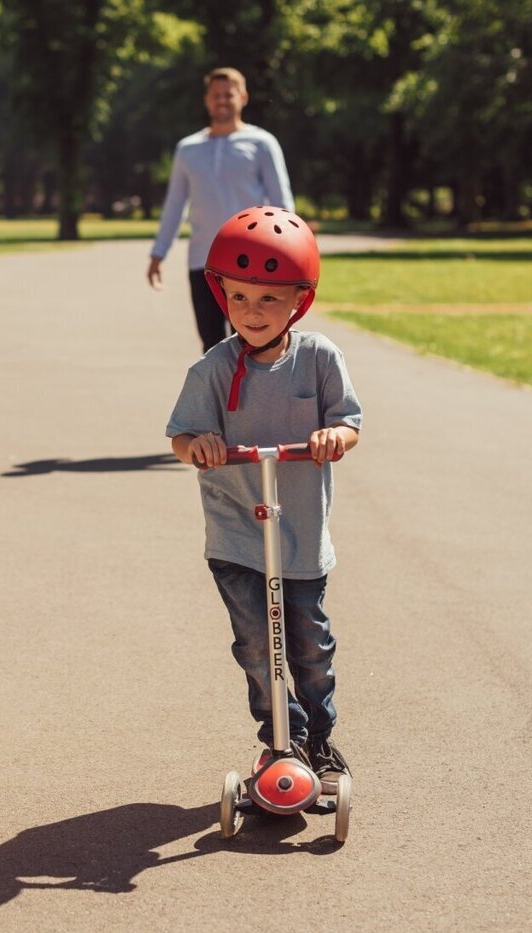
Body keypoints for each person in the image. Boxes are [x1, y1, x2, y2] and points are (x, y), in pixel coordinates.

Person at [166, 207, 361, 779]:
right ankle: (282, 741)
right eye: (240, 298)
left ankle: (319, 738)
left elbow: (350, 424)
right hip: (236, 537)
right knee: (257, 646)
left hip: (299, 534)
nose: (252, 312)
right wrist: (197, 444)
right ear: (221, 293)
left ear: (299, 300)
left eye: (270, 299)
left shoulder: (321, 358)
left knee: (309, 648)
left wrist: (333, 436)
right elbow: (180, 436)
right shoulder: (212, 370)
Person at [148, 68, 294, 353]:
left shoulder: (262, 144)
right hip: (202, 264)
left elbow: (283, 206)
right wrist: (158, 253)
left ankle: (254, 399)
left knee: (257, 345)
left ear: (243, 97)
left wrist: (288, 258)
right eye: (216, 95)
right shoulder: (187, 149)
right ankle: (219, 399)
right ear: (206, 100)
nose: (222, 101)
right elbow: (175, 205)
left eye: (229, 94)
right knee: (212, 348)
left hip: (252, 265)